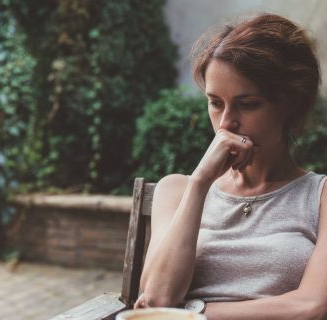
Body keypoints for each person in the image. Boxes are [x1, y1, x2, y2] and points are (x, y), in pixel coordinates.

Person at [134, 13, 327, 319]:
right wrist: (199, 184)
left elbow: (310, 307)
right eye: (215, 102)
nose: (226, 123)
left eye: (247, 103)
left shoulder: (319, 196)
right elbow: (159, 300)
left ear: (291, 105)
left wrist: (193, 312)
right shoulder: (177, 190)